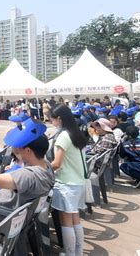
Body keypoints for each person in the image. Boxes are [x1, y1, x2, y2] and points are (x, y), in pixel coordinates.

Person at [0, 118, 54, 212]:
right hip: (14, 209)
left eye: (17, 147)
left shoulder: (28, 175)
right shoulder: (46, 166)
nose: (15, 149)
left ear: (28, 151)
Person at [50, 104, 89, 256]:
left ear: (59, 119)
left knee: (66, 221)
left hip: (66, 184)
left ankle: (70, 253)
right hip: (78, 183)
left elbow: (57, 163)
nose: (51, 122)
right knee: (75, 219)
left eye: (52, 120)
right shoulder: (75, 133)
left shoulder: (63, 136)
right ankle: (77, 253)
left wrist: (43, 169)